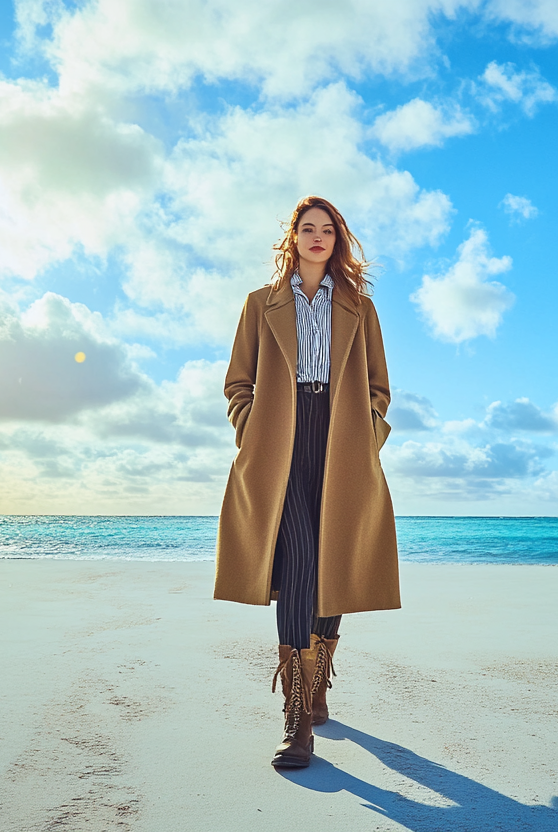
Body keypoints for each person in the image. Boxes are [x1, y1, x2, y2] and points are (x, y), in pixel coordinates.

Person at [215, 195, 400, 769]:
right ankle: (297, 720)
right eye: (307, 229)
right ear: (292, 238)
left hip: (341, 438)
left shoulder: (359, 308)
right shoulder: (260, 304)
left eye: (327, 230)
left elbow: (379, 387)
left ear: (337, 241)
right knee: (296, 562)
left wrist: (368, 434)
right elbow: (237, 383)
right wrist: (251, 429)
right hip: (279, 439)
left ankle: (317, 687)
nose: (317, 238)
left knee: (333, 561)